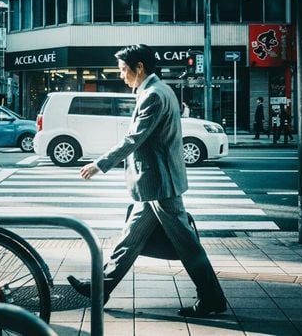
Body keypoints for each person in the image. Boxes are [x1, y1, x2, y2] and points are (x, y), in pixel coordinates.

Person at [66, 44, 227, 318]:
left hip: (159, 183)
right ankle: (100, 289)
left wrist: (99, 164)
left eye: (123, 70)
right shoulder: (161, 90)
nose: (122, 76)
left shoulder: (153, 95)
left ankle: (212, 298)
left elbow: (134, 139)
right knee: (129, 240)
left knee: (187, 245)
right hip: (153, 183)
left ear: (139, 67)